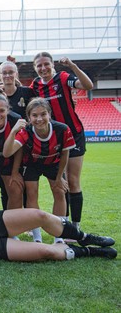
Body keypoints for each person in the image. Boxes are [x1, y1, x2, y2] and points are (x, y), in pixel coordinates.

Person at [31, 52, 93, 233]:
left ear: (52, 65)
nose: (43, 68)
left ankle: (76, 225)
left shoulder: (63, 78)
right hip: (53, 140)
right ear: (35, 68)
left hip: (74, 135)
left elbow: (88, 85)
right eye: (39, 65)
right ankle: (63, 226)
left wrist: (73, 66)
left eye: (46, 64)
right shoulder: (35, 85)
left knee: (73, 181)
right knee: (60, 184)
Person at [3, 98, 76, 243]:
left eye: (43, 114)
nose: (39, 119)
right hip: (32, 164)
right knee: (31, 194)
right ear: (29, 117)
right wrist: (13, 132)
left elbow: (65, 154)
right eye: (34, 115)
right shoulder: (25, 132)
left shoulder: (62, 129)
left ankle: (59, 236)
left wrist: (60, 177)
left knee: (60, 191)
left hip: (54, 163)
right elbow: (7, 153)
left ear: (49, 114)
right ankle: (37, 237)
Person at [0, 56, 35, 210]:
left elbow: (38, 110)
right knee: (6, 187)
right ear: (0, 75)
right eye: (4, 73)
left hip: (25, 147)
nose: (7, 75)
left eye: (10, 72)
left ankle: (26, 219)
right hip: (3, 147)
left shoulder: (27, 92)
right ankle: (8, 220)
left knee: (24, 184)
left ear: (16, 73)